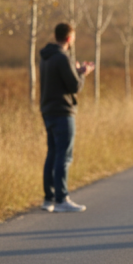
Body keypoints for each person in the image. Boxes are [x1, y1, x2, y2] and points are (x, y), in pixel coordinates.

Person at [39, 23, 94, 213]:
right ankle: (62, 198)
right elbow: (74, 87)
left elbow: (60, 81)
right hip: (63, 111)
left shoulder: (46, 56)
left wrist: (75, 71)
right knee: (64, 155)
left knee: (52, 153)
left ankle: (49, 199)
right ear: (69, 38)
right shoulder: (63, 58)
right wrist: (84, 74)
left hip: (47, 110)